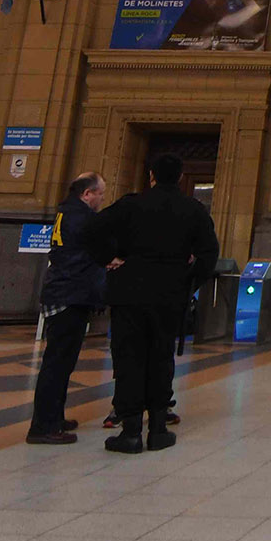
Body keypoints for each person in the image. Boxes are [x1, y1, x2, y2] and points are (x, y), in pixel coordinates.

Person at [89, 153, 218, 454]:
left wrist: (108, 258)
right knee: (162, 357)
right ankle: (158, 430)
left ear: (151, 176)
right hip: (169, 295)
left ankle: (131, 431)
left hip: (130, 293)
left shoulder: (131, 205)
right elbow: (209, 253)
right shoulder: (193, 209)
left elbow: (91, 231)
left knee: (128, 357)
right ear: (180, 177)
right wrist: (189, 280)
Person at [26, 173, 107, 445]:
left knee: (62, 362)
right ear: (87, 194)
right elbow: (102, 247)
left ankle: (54, 417)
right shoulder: (83, 218)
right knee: (58, 363)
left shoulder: (65, 213)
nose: (101, 200)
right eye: (100, 195)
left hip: (64, 291)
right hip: (70, 294)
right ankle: (43, 425)